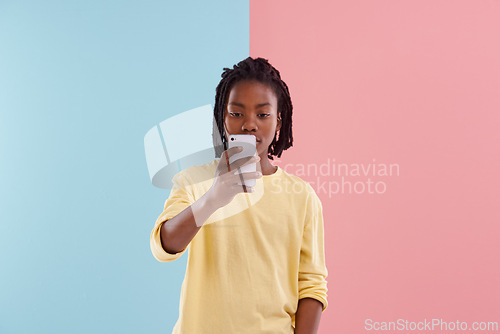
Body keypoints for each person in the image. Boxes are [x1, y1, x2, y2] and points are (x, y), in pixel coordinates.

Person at [150, 57, 328, 334]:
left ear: (279, 121)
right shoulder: (193, 180)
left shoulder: (301, 196)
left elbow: (311, 284)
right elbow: (164, 246)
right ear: (222, 118)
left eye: (263, 114)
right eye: (236, 113)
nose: (249, 125)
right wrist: (213, 198)